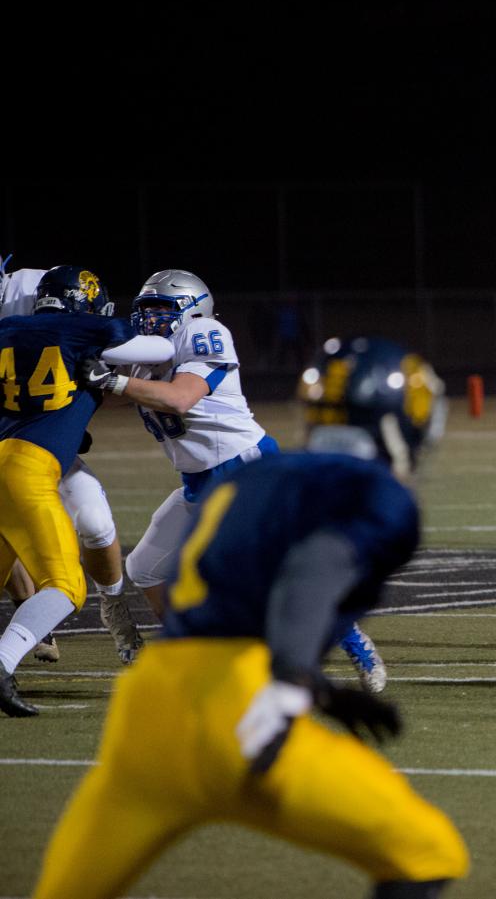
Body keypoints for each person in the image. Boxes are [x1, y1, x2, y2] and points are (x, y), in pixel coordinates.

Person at [32, 336, 470, 898]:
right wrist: (290, 686)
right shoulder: (377, 495)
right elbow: (314, 570)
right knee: (427, 852)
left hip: (148, 714)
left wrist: (322, 691)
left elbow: (222, 601)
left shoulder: (250, 479)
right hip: (244, 712)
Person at [93, 269, 388, 691]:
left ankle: (355, 642)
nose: (151, 319)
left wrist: (114, 379)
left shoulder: (204, 331)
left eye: (162, 309)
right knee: (144, 567)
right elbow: (110, 390)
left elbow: (179, 398)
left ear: (193, 310)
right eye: (146, 310)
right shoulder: (144, 353)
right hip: (198, 480)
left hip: (245, 471)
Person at [0, 266, 169, 717]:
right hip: (29, 466)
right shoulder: (84, 325)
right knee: (66, 585)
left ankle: (113, 614)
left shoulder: (8, 323)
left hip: (19, 452)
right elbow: (159, 345)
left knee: (92, 523)